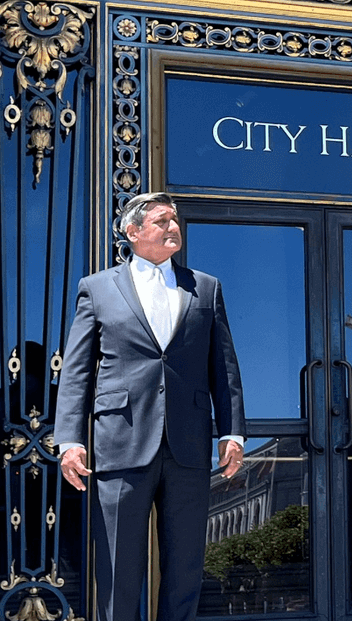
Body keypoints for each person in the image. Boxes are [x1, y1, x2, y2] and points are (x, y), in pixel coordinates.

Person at [54, 192, 246, 621]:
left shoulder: (206, 287)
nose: (173, 227)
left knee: (185, 570)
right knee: (119, 568)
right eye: (161, 221)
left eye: (175, 220)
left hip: (188, 446)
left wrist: (232, 432)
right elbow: (78, 370)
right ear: (134, 232)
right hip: (121, 444)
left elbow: (224, 366)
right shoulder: (98, 288)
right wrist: (69, 439)